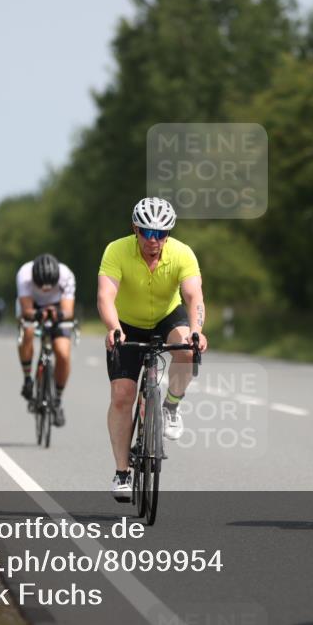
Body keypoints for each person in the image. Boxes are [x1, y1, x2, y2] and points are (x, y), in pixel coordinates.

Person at [98, 197, 208, 502]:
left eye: (161, 233)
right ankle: (122, 472)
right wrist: (113, 327)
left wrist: (197, 331)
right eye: (147, 232)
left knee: (187, 350)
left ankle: (171, 406)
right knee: (122, 395)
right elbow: (105, 295)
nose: (153, 240)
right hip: (126, 324)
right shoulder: (116, 250)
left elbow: (194, 296)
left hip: (166, 317)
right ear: (135, 229)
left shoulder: (182, 253)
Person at [17, 254, 76, 426]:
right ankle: (28, 378)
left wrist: (58, 314)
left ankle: (57, 399)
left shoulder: (66, 275)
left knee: (63, 353)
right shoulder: (24, 274)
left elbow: (68, 311)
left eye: (49, 287)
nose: (45, 290)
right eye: (41, 286)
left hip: (58, 307)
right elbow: (26, 309)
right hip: (32, 307)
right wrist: (37, 314)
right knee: (27, 331)